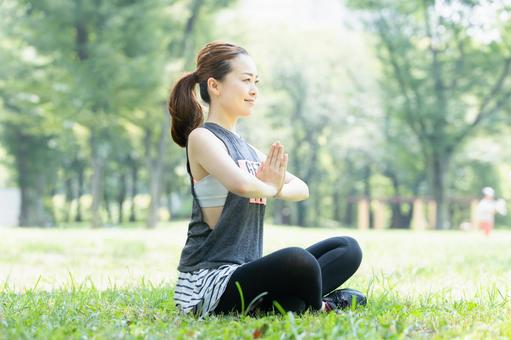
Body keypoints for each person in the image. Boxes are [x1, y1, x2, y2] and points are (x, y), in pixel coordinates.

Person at [168, 41, 365, 318]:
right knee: (297, 260)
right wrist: (272, 185)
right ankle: (322, 306)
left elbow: (301, 188)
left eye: (256, 82)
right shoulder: (202, 138)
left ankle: (290, 303)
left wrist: (274, 186)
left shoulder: (250, 150)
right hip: (209, 282)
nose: (254, 90)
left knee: (347, 248)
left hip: (247, 272)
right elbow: (242, 185)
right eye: (246, 80)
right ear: (215, 86)